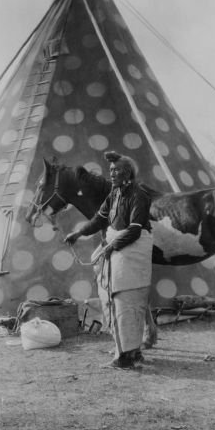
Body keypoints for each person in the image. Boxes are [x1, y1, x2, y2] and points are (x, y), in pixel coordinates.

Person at [65, 151, 153, 369]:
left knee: (126, 300)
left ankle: (127, 356)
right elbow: (100, 218)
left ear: (128, 174)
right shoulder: (114, 194)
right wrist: (79, 233)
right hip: (118, 247)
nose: (112, 174)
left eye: (117, 171)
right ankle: (128, 351)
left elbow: (135, 229)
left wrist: (112, 246)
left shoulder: (138, 195)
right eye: (111, 171)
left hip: (133, 249)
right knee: (109, 297)